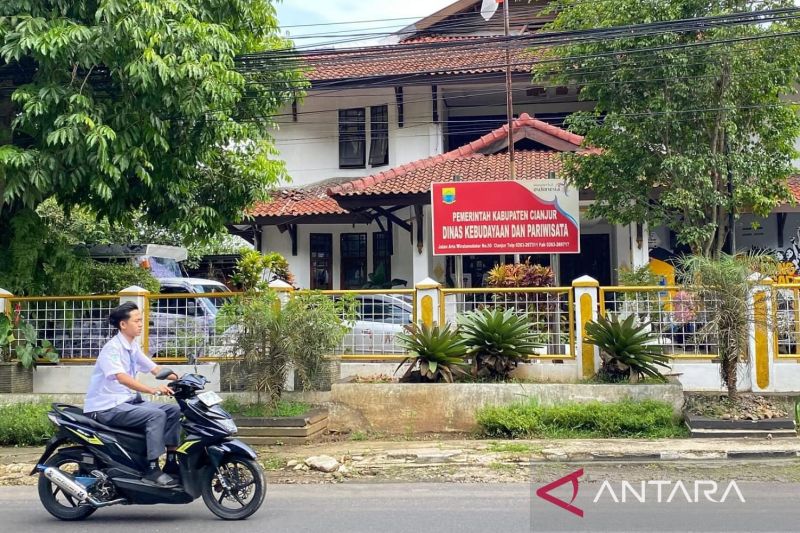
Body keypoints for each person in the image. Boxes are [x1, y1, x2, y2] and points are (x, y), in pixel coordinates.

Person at [83, 302, 181, 487]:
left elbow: (154, 368)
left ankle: (171, 462)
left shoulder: (132, 346)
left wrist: (182, 378)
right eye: (136, 320)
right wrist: (152, 389)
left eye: (141, 320)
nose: (140, 324)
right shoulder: (112, 349)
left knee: (173, 410)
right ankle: (152, 469)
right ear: (123, 324)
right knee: (156, 415)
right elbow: (121, 377)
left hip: (126, 402)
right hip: (106, 406)